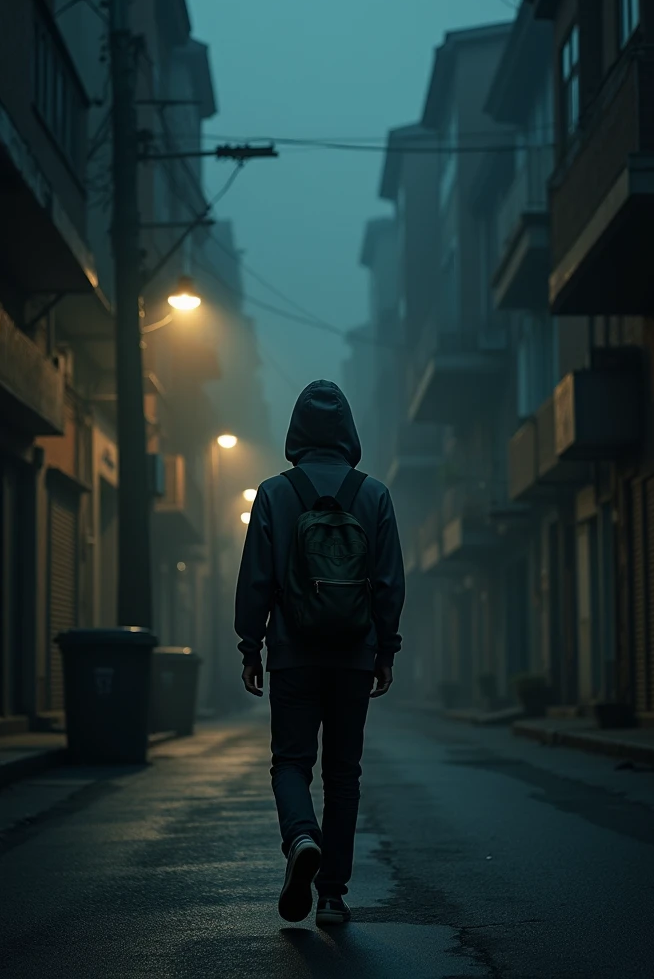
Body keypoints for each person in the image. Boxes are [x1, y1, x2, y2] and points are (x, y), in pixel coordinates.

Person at [235, 379, 405, 927]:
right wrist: (385, 649)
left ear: (297, 432)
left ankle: (300, 837)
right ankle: (331, 894)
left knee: (291, 762)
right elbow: (388, 582)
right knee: (344, 774)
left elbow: (256, 579)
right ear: (348, 432)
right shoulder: (374, 494)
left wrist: (250, 645)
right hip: (355, 656)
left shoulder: (274, 493)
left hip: (292, 654)